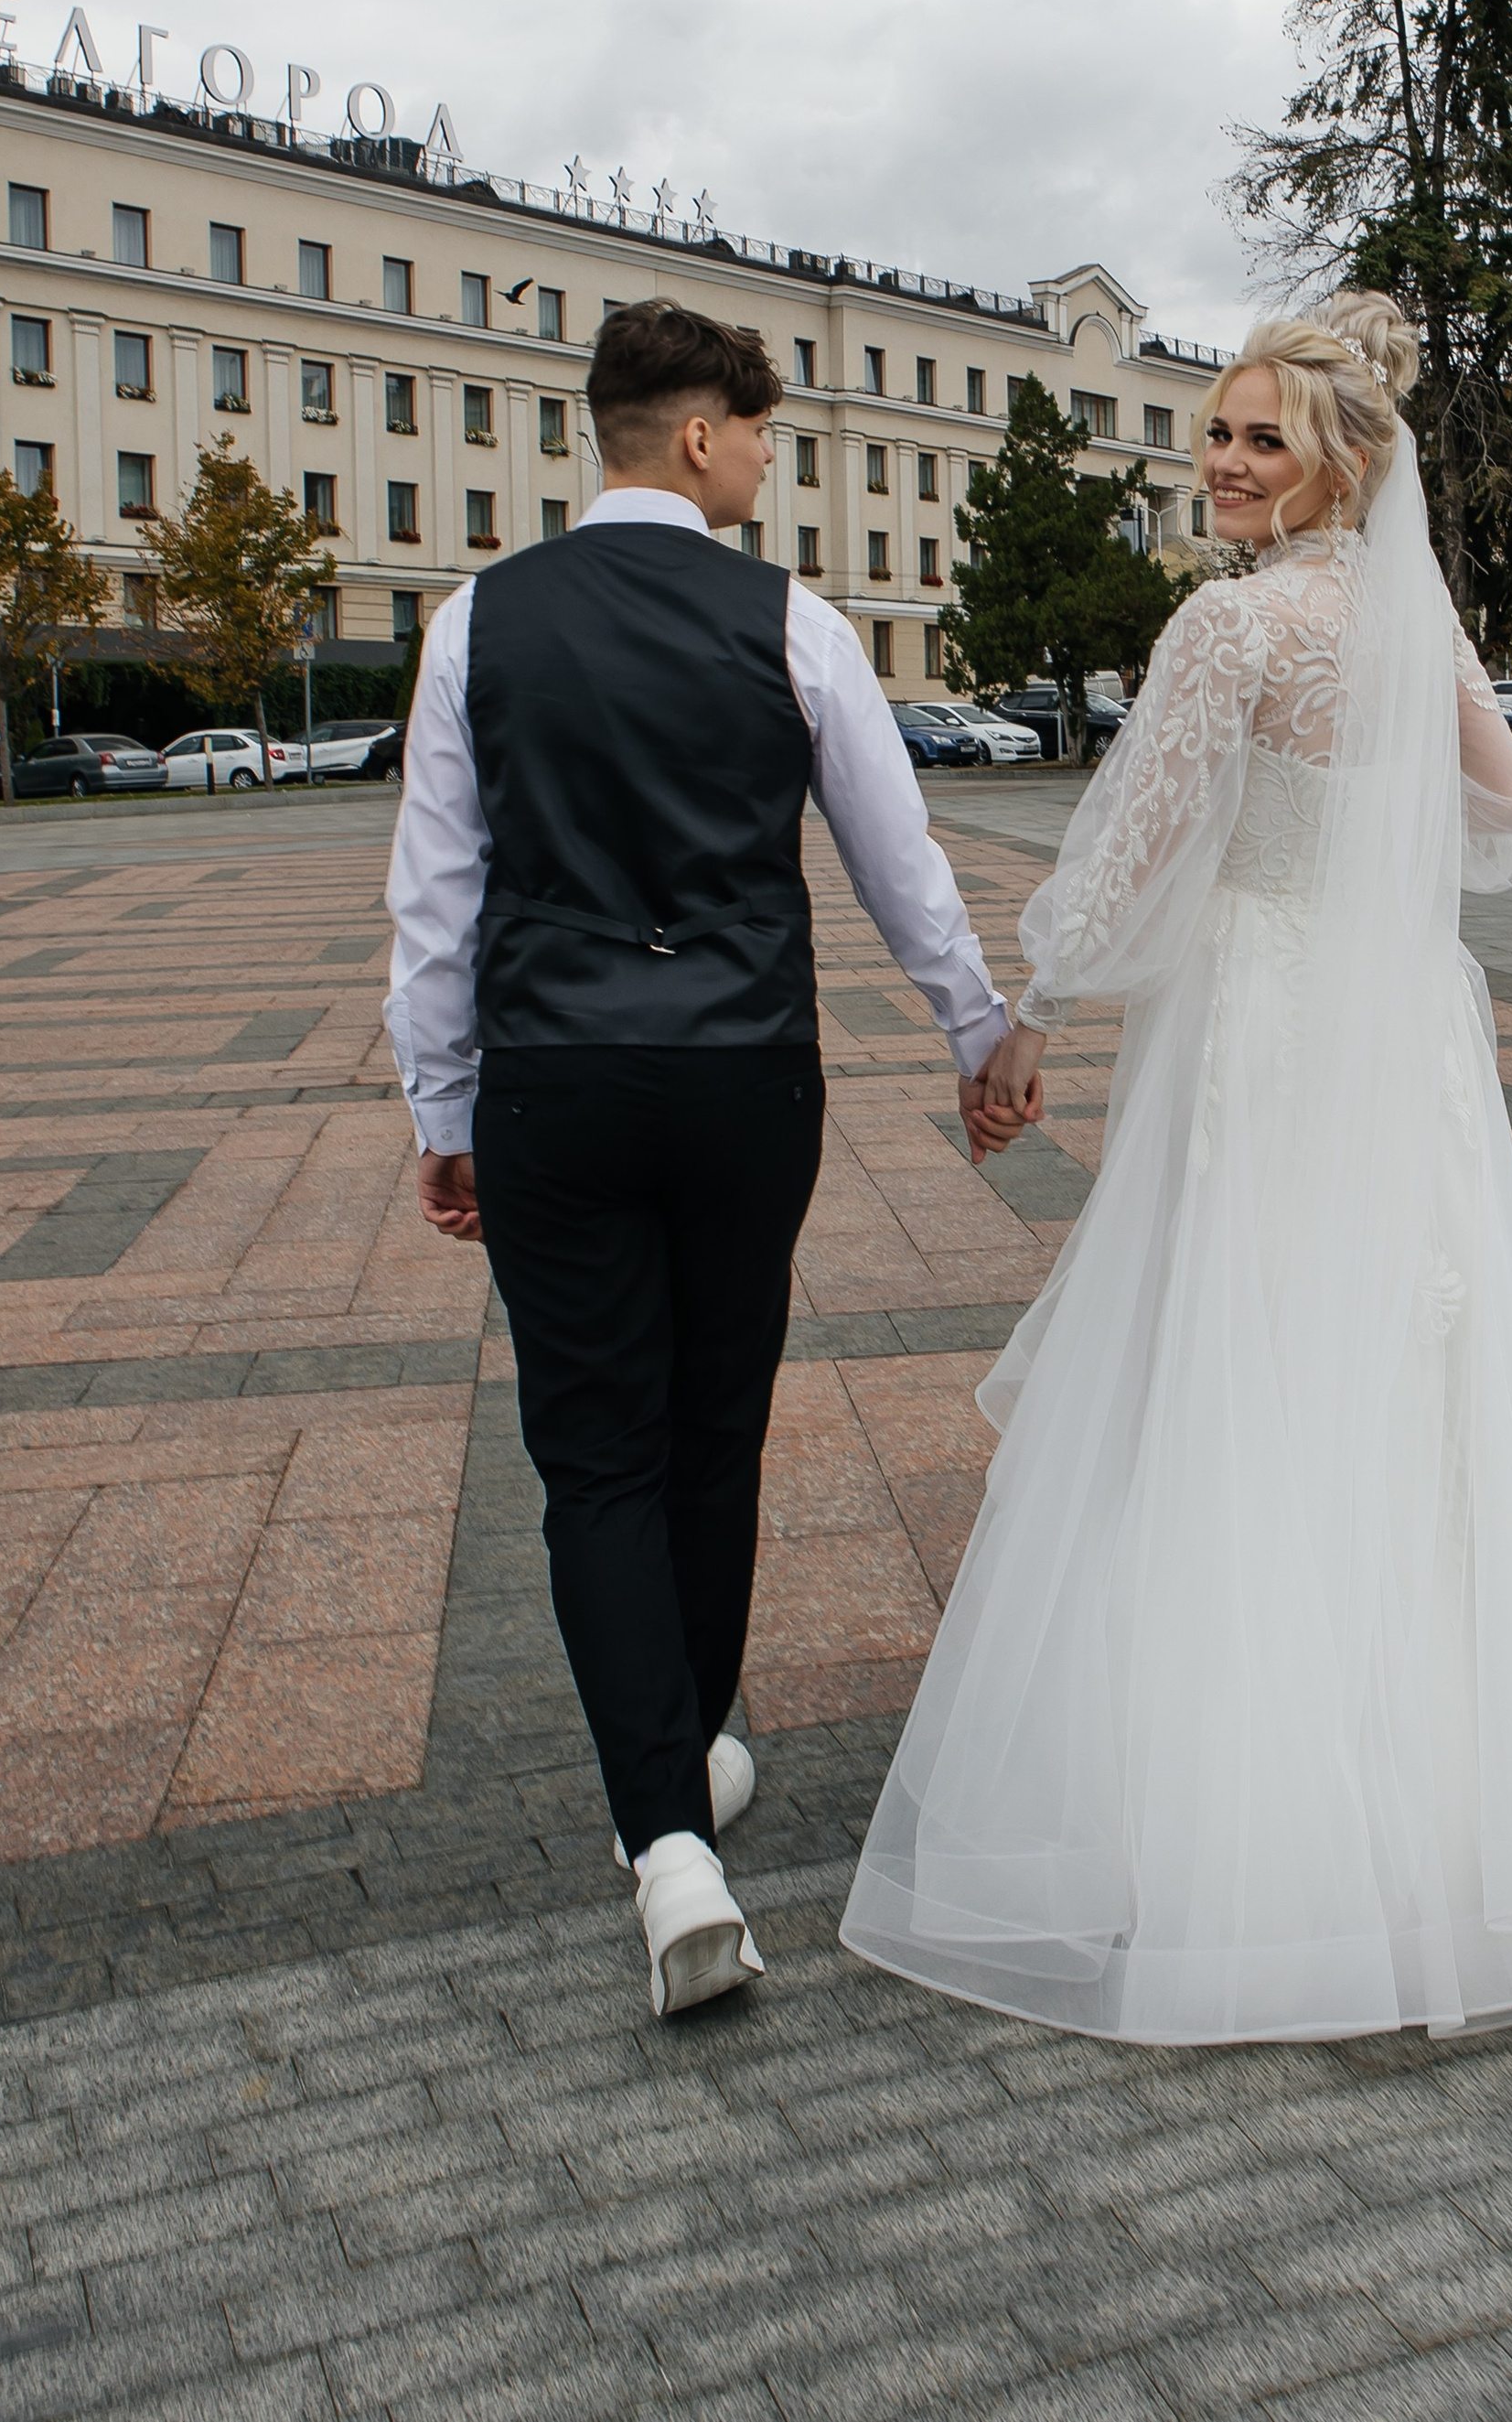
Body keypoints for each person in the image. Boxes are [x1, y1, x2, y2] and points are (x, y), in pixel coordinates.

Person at [842, 295, 1512, 2045]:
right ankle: (1447, 1832)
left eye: (1257, 438)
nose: (1223, 464)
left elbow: (1121, 850)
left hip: (1266, 1020)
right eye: (1214, 435)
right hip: (1393, 1029)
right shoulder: (1413, 627)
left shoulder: (1226, 633)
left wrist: (1035, 1001)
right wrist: (1371, 878)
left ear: (1335, 464)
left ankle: (1246, 1839)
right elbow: (1505, 813)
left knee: (1235, 1375)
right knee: (1389, 1373)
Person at [386, 299, 1015, 2018]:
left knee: (592, 1451)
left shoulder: (473, 624)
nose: (765, 461)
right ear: (694, 439)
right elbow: (899, 852)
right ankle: (681, 1792)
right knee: (713, 1428)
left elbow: (437, 893)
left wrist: (443, 1109)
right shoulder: (793, 622)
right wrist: (977, 1028)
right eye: (759, 436)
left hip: (553, 1082)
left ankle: (666, 1825)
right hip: (741, 1072)